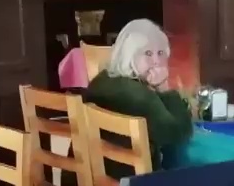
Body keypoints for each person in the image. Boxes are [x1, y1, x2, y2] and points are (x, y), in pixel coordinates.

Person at [83, 19, 193, 168]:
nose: (156, 61)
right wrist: (164, 87)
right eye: (147, 53)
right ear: (129, 55)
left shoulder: (102, 80)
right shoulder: (139, 96)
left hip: (95, 180)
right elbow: (178, 135)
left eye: (160, 53)